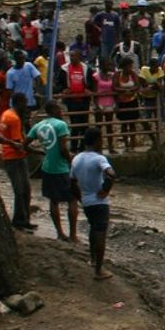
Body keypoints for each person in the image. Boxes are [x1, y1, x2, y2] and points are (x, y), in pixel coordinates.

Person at [27, 100, 77, 242]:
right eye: (59, 109)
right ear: (54, 110)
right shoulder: (60, 125)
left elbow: (25, 144)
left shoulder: (38, 125)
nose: (61, 112)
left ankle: (60, 233)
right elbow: (63, 148)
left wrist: (41, 153)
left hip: (47, 167)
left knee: (53, 200)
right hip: (60, 168)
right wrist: (71, 160)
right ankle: (73, 235)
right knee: (72, 199)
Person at [70, 126, 116, 281]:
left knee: (93, 229)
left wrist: (80, 198)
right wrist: (106, 189)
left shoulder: (76, 158)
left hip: (87, 201)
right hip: (99, 201)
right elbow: (111, 174)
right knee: (100, 233)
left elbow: (72, 181)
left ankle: (92, 259)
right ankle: (99, 270)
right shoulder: (99, 158)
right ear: (97, 141)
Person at [0, 92, 32, 230]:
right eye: (25, 102)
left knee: (25, 189)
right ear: (19, 103)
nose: (26, 105)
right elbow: (18, 143)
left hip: (9, 156)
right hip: (15, 157)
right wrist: (35, 150)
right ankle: (19, 221)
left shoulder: (6, 114)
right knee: (21, 190)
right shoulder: (15, 119)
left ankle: (23, 219)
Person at [58, 48, 92, 152]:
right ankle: (73, 147)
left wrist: (88, 89)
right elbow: (59, 83)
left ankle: (82, 147)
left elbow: (90, 82)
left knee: (84, 125)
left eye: (74, 56)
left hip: (84, 100)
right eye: (71, 56)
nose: (72, 58)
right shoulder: (64, 69)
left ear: (79, 57)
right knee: (75, 124)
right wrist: (63, 90)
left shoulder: (86, 68)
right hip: (72, 101)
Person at [114, 57, 141, 151]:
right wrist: (125, 90)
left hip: (132, 101)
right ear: (124, 66)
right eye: (129, 66)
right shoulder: (118, 74)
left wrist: (130, 90)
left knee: (132, 124)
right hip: (121, 102)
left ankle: (133, 145)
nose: (131, 68)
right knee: (124, 124)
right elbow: (115, 86)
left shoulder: (133, 74)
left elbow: (137, 85)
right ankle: (126, 145)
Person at [92, 56, 116, 153]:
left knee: (109, 126)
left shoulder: (112, 75)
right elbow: (94, 92)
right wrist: (97, 105)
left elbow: (114, 89)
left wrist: (116, 103)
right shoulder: (96, 76)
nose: (108, 66)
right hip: (100, 103)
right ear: (102, 66)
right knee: (99, 127)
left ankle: (111, 147)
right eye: (106, 64)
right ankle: (99, 148)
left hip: (110, 102)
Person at [94, 0, 122, 64]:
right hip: (104, 39)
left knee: (114, 56)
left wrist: (118, 38)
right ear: (105, 4)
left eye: (110, 3)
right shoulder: (100, 14)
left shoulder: (115, 15)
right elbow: (93, 23)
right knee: (104, 56)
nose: (108, 5)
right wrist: (99, 28)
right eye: (107, 3)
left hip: (113, 39)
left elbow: (118, 27)